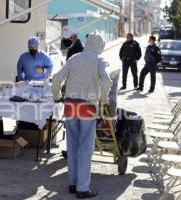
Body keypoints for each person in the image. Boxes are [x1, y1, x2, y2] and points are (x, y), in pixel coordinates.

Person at [52, 31, 112, 199]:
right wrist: (103, 99)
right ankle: (82, 188)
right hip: (87, 107)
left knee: (72, 145)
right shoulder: (100, 60)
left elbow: (56, 78)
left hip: (70, 105)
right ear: (100, 45)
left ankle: (72, 183)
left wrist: (57, 97)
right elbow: (107, 81)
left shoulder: (74, 58)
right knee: (85, 148)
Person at [61, 26, 84, 159]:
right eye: (64, 39)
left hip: (78, 92)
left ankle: (75, 152)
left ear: (74, 37)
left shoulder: (80, 50)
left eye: (67, 39)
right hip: (72, 89)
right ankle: (71, 150)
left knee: (75, 123)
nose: (65, 41)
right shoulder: (72, 48)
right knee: (71, 123)